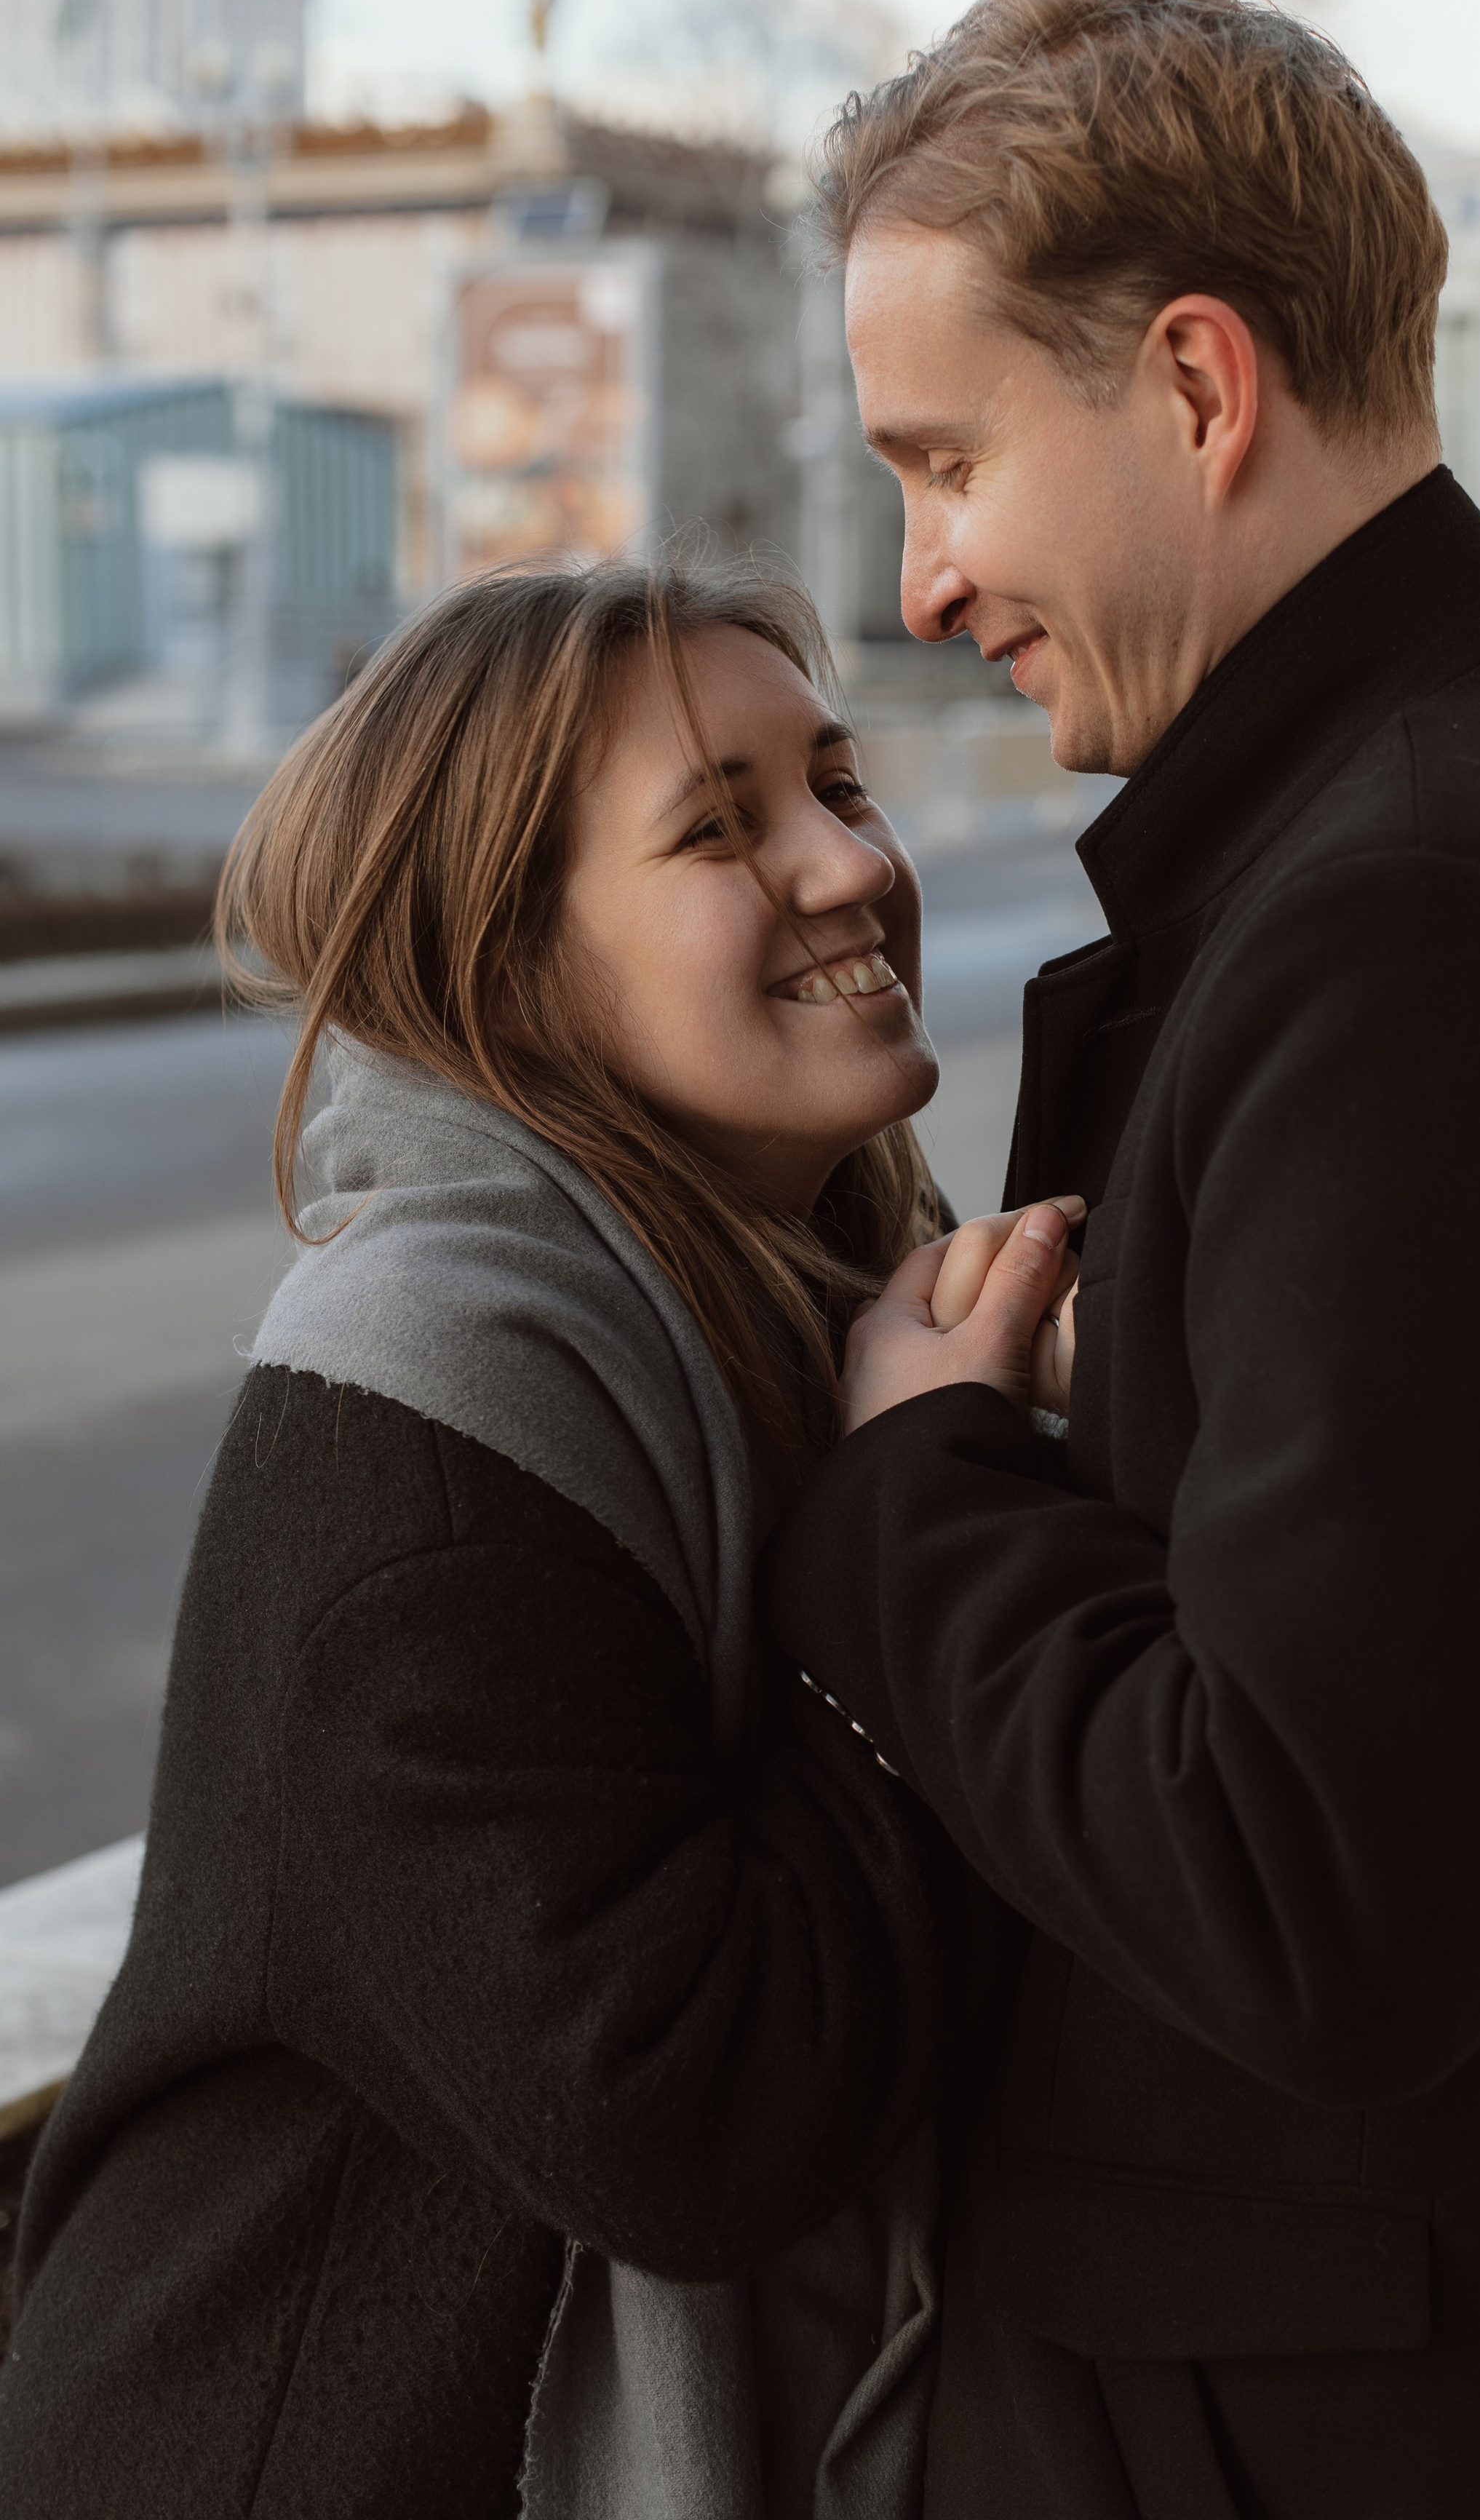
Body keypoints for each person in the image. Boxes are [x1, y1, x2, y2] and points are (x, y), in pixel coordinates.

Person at [762, 0, 1480, 2517]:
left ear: (1195, 388)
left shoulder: (1433, 918)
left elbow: (1320, 1896)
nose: (923, 581)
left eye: (945, 464)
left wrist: (923, 1487)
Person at [0, 559, 1048, 2520]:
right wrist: (918, 1533)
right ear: (508, 970)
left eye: (838, 782)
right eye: (718, 829)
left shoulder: (817, 1308)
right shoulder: (424, 1413)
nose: (845, 865)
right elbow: (683, 2112)